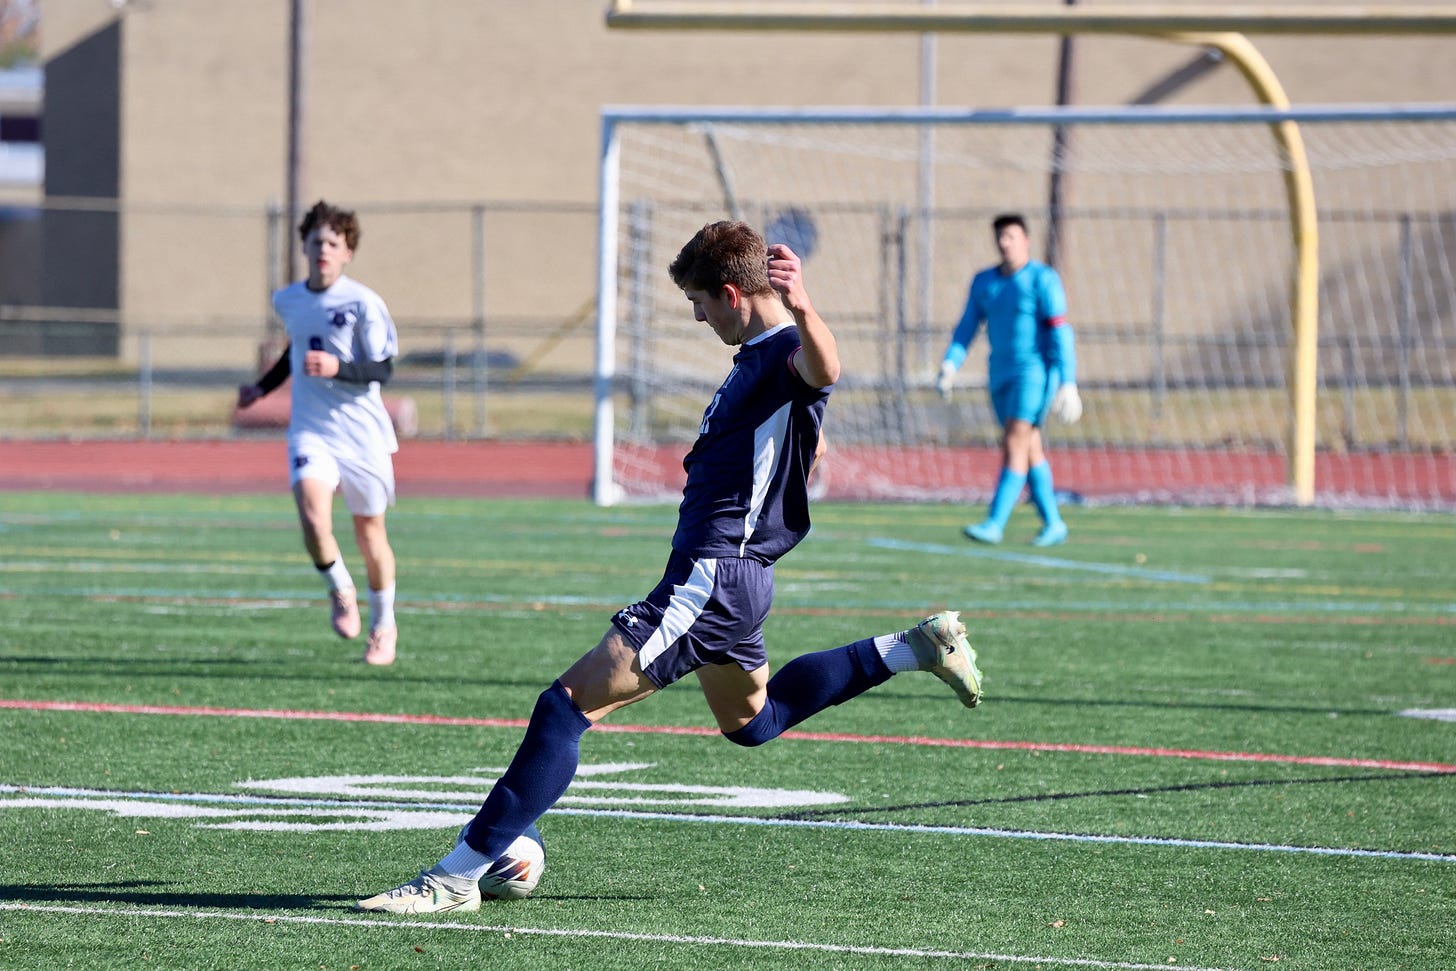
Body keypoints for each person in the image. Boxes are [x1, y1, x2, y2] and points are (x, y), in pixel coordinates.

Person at [357, 220, 983, 913]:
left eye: (700, 302)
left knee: (564, 708)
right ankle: (910, 649)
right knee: (754, 722)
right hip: (736, 580)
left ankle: (454, 876)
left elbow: (825, 370)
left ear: (731, 294)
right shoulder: (758, 358)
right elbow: (811, 433)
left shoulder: (783, 349)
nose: (698, 317)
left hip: (713, 576)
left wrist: (804, 307)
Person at [237, 200, 402, 665]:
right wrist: (261, 388)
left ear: (347, 252)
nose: (324, 249)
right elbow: (295, 349)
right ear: (305, 247)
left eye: (333, 242)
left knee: (370, 533)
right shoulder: (289, 299)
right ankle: (340, 588)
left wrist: (337, 367)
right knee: (313, 519)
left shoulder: (363, 302)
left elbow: (383, 369)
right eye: (316, 241)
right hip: (311, 431)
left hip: (363, 435)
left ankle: (383, 626)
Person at [936, 213, 1082, 547]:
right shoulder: (985, 282)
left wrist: (1068, 382)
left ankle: (995, 522)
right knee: (1029, 447)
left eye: (1011, 237)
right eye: (1000, 237)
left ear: (1025, 240)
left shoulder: (1042, 279)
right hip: (999, 373)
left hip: (1034, 373)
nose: (1005, 243)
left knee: (1015, 441)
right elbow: (967, 326)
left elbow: (1060, 331)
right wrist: (950, 364)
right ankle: (1054, 523)